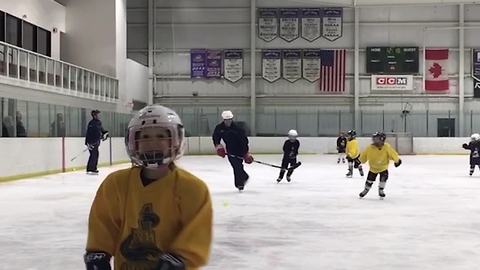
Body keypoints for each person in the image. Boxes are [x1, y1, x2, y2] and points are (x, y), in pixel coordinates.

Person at [85, 104, 212, 270]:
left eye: (161, 136)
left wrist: (178, 260)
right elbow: (103, 225)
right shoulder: (116, 184)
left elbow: (197, 234)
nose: (152, 142)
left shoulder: (192, 189)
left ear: (175, 140)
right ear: (134, 142)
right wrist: (98, 255)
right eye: (144, 137)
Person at [212, 110, 253, 191]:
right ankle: (242, 179)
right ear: (223, 120)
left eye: (230, 119)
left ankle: (240, 183)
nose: (228, 121)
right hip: (230, 149)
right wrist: (218, 146)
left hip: (240, 149)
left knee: (238, 166)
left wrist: (246, 153)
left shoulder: (238, 129)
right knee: (236, 166)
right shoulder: (219, 128)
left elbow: (244, 141)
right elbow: (216, 138)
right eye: (227, 120)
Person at [358, 132, 402, 199]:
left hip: (383, 168)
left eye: (376, 139)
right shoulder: (370, 147)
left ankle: (381, 190)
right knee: (369, 181)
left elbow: (393, 154)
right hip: (373, 168)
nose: (374, 140)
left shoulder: (386, 147)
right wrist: (359, 161)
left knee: (383, 179)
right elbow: (364, 156)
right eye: (374, 139)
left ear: (382, 140)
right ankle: (366, 189)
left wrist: (397, 160)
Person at [85, 110, 108, 174]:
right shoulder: (91, 123)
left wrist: (105, 133)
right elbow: (88, 134)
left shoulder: (99, 123)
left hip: (97, 142)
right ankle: (90, 168)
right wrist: (87, 143)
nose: (99, 116)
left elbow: (102, 130)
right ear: (94, 115)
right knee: (93, 155)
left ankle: (92, 168)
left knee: (95, 154)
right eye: (98, 114)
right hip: (92, 142)